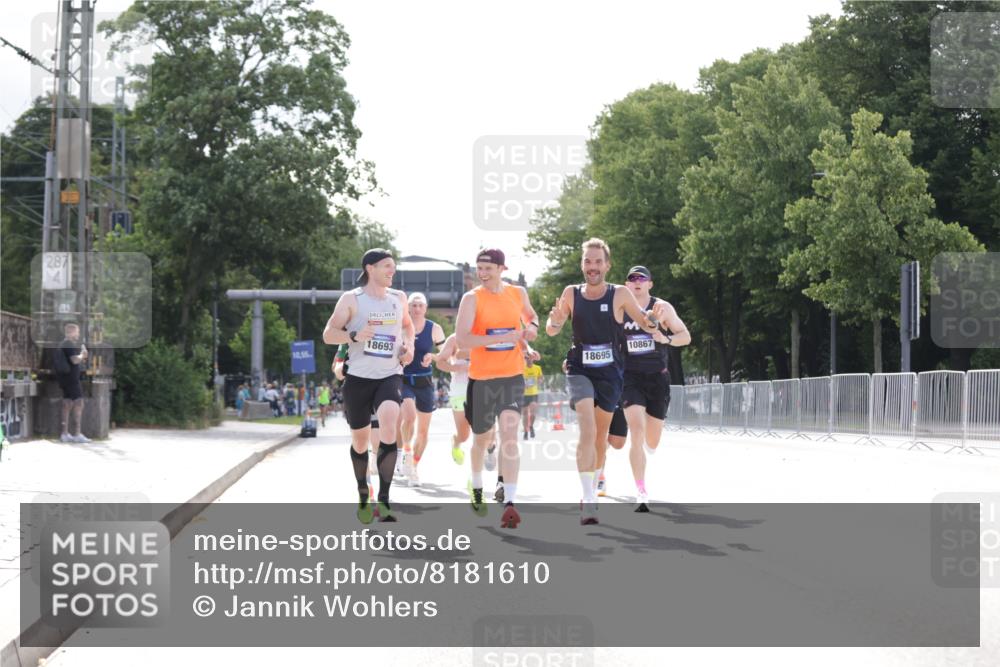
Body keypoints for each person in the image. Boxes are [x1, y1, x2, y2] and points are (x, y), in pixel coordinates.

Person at [545, 238, 664, 525]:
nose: (592, 267)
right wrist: (558, 320)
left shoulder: (620, 294)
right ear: (582, 264)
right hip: (579, 368)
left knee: (601, 438)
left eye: (598, 261)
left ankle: (595, 479)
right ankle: (588, 499)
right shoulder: (571, 293)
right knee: (586, 430)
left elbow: (645, 322)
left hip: (610, 373)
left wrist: (652, 321)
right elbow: (551, 329)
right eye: (588, 261)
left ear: (607, 265)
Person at [323, 248, 414, 524]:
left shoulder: (399, 299)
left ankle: (384, 500)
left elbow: (408, 327)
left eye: (394, 267)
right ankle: (364, 493)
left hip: (390, 374)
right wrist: (353, 335)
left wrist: (407, 346)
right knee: (360, 442)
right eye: (387, 266)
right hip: (358, 378)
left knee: (389, 422)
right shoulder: (352, 299)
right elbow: (329, 334)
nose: (392, 272)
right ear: (370, 268)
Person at [455, 248, 539, 528]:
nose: (482, 273)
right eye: (479, 268)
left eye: (488, 268)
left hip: (512, 375)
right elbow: (464, 340)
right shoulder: (471, 299)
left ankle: (510, 501)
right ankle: (477, 485)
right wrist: (503, 336)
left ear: (503, 268)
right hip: (481, 379)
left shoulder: (518, 293)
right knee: (481, 440)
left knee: (510, 434)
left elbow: (531, 316)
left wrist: (532, 330)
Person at [618, 265, 690, 511]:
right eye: (632, 278)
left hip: (657, 378)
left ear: (650, 283)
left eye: (642, 278)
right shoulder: (620, 308)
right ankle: (641, 490)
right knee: (636, 431)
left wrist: (666, 338)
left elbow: (685, 336)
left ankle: (650, 444)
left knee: (652, 440)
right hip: (629, 377)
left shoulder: (663, 307)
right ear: (627, 284)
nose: (636, 282)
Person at [397, 292, 447, 487]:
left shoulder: (434, 329)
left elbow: (445, 353)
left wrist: (432, 357)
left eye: (420, 305)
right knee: (409, 417)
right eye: (413, 305)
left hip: (424, 381)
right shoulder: (400, 327)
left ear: (425, 308)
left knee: (424, 432)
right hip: (404, 379)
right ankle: (406, 452)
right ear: (407, 308)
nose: (416, 309)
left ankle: (414, 468)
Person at [52, 322, 90, 443]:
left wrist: (80, 357)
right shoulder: (68, 344)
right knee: (79, 402)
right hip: (71, 380)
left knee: (67, 403)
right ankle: (77, 434)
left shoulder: (62, 344)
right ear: (72, 332)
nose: (78, 335)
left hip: (65, 379)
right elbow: (74, 360)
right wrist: (82, 355)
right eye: (77, 332)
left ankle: (64, 434)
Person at [522, 352, 543, 439]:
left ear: (533, 358)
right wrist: (523, 384)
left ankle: (531, 426)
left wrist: (539, 381)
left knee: (533, 412)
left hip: (533, 393)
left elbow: (541, 378)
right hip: (523, 394)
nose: (528, 359)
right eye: (526, 358)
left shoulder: (537, 368)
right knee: (525, 414)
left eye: (529, 357)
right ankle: (526, 431)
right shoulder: (521, 368)